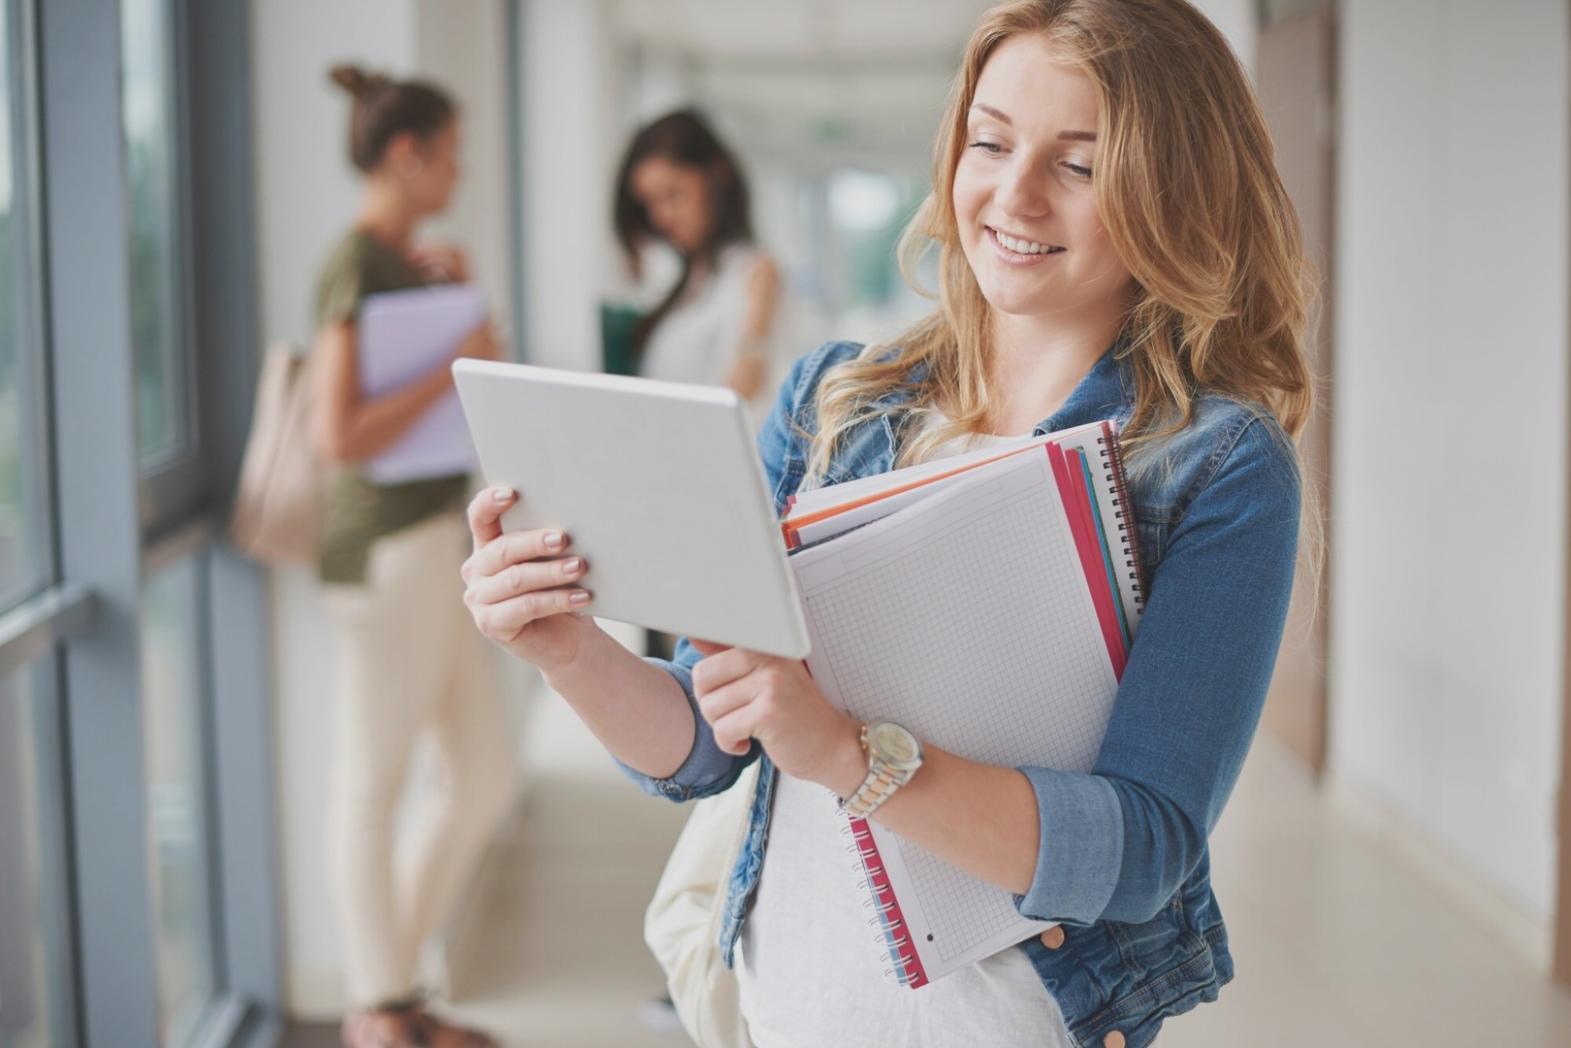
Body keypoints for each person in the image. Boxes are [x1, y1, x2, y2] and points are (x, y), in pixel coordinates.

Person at [460, 0, 1310, 1044]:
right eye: (989, 141)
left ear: (1171, 189)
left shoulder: (1213, 464)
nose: (1012, 193)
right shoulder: (836, 402)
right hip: (784, 1001)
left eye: (1077, 165)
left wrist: (849, 754)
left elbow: (1140, 851)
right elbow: (700, 740)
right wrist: (567, 651)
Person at [312, 64, 515, 1048]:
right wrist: (448, 352)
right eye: (453, 150)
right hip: (383, 549)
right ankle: (381, 1010)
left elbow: (486, 381)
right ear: (409, 152)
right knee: (373, 778)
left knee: (482, 772)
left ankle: (390, 987)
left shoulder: (409, 263)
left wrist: (461, 302)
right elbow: (336, 432)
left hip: (434, 538)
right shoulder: (351, 263)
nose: (460, 169)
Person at [612, 109, 781, 404]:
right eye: (649, 204)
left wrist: (757, 323)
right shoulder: (681, 282)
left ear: (714, 178)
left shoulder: (755, 273)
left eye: (673, 195)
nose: (661, 216)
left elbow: (740, 395)